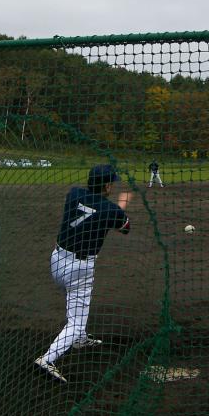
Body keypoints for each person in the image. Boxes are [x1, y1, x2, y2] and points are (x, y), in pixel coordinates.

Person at [35, 164, 130, 383]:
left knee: (75, 304)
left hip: (57, 261)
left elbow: (89, 210)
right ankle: (48, 359)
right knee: (76, 321)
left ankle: (79, 339)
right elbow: (125, 228)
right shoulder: (111, 210)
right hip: (79, 270)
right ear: (107, 186)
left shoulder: (74, 193)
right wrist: (122, 205)